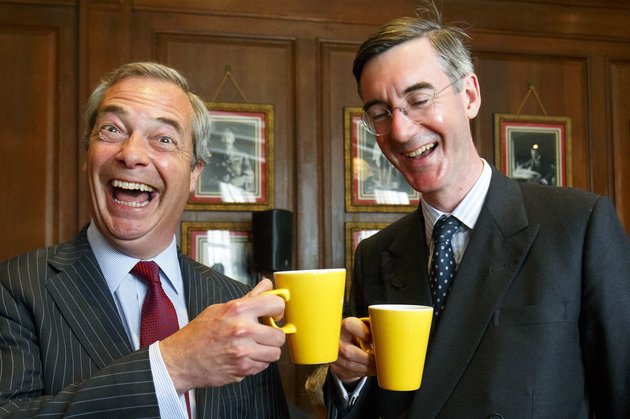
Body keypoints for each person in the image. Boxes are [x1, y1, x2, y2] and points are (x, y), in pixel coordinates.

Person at [325, 3, 630, 418]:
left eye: (419, 99)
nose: (400, 130)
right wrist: (347, 378)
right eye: (380, 113)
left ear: (469, 95)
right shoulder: (375, 255)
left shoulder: (579, 227)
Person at [0, 62, 289, 418]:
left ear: (195, 174)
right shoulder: (13, 288)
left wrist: (342, 380)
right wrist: (171, 367)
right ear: (87, 154)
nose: (132, 154)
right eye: (112, 129)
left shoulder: (237, 303)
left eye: (164, 139)